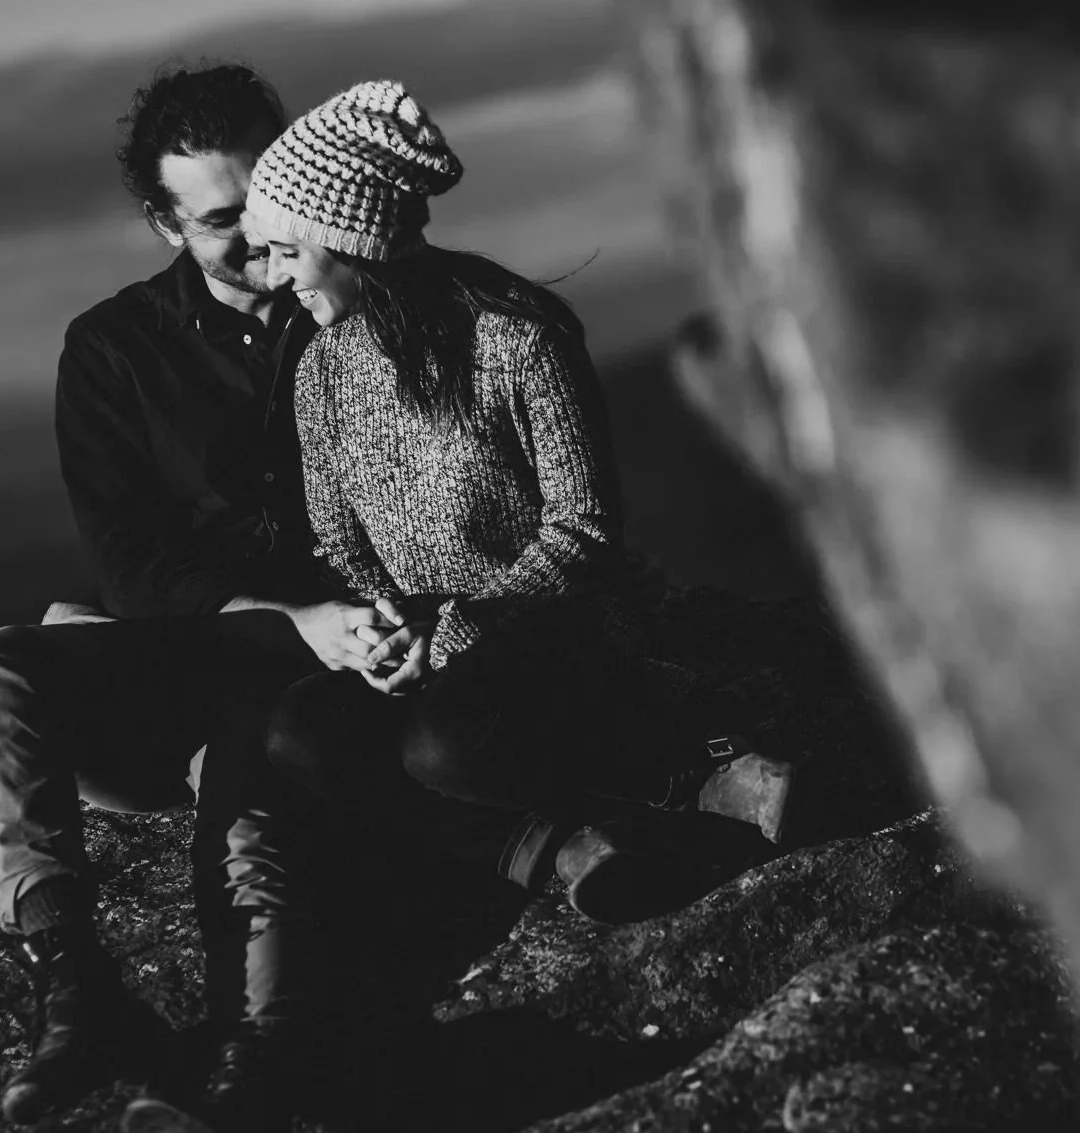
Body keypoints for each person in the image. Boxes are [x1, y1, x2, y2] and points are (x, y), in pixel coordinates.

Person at [0, 64, 396, 1128]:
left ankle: (258, 1062)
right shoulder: (113, 352)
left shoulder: (356, 304)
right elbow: (134, 569)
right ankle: (73, 979)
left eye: (274, 196)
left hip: (326, 685)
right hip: (202, 646)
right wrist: (285, 621)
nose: (259, 235)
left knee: (251, 776)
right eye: (222, 217)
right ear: (163, 223)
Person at [241, 80, 795, 919]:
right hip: (425, 643)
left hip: (555, 620)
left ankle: (691, 768)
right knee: (298, 735)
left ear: (345, 236)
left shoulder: (518, 338)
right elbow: (338, 538)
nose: (276, 278)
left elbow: (584, 533)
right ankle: (558, 849)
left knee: (446, 746)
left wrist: (463, 624)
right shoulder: (320, 370)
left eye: (287, 250)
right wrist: (376, 627)